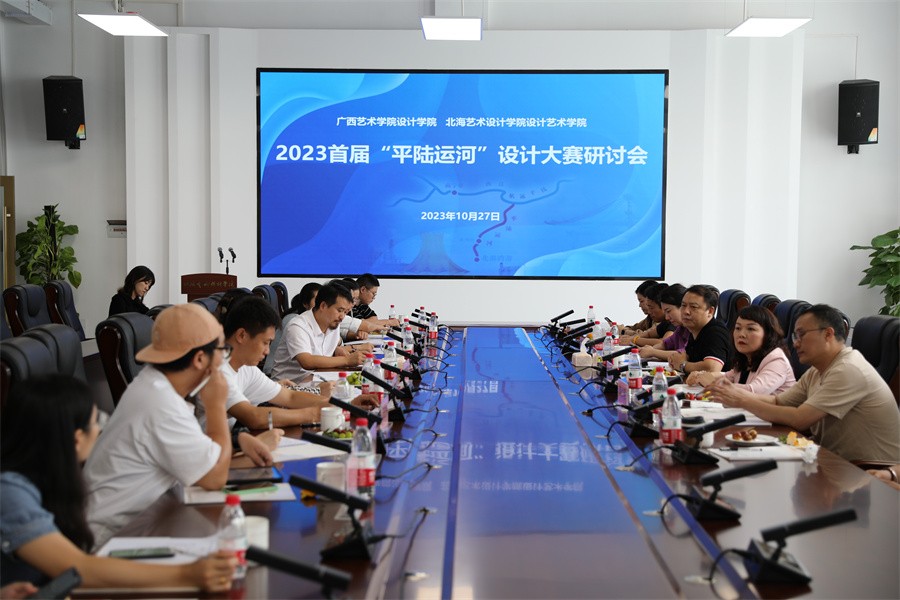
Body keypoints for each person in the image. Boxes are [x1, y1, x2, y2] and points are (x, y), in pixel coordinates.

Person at [1, 375, 236, 591]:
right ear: (76, 439)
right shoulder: (10, 492)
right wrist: (187, 574)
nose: (100, 429)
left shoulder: (48, 478)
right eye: (96, 421)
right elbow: (78, 568)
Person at [84, 304, 277, 547]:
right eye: (222, 350)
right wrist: (217, 405)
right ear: (200, 359)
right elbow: (214, 478)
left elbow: (200, 467)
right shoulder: (161, 403)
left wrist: (240, 442)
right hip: (113, 539)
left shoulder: (156, 385)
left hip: (151, 516)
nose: (224, 358)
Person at [708, 304, 900, 464]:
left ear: (828, 334)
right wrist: (737, 395)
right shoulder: (817, 370)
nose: (796, 343)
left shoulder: (848, 369)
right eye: (795, 336)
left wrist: (743, 400)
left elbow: (800, 419)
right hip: (829, 458)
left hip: (868, 470)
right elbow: (778, 401)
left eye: (801, 335)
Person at [221, 296, 378, 430]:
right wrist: (314, 414)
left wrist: (347, 405)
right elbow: (254, 417)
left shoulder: (246, 368)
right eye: (265, 343)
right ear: (242, 335)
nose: (267, 351)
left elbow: (290, 397)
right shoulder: (219, 370)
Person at [687, 305, 796, 394]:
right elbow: (728, 376)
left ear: (768, 334)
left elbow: (754, 391)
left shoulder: (776, 360)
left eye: (751, 329)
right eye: (738, 328)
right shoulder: (747, 357)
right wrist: (700, 375)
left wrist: (713, 383)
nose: (741, 334)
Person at [270, 283, 366, 384]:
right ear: (323, 306)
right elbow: (307, 361)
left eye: (345, 312)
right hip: (290, 386)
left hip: (317, 378)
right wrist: (347, 360)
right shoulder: (298, 325)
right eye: (339, 310)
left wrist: (336, 351)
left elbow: (322, 351)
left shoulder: (333, 323)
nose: (342, 317)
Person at [667, 284, 731, 374]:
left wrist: (682, 365)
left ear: (710, 311)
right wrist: (676, 359)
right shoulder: (694, 330)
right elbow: (686, 357)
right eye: (683, 305)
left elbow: (712, 368)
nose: (686, 311)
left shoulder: (716, 333)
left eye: (693, 307)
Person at [638, 284, 690, 361]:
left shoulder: (695, 330)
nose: (666, 318)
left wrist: (653, 352)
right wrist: (648, 350)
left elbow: (684, 355)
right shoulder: (681, 329)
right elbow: (665, 344)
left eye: (668, 311)